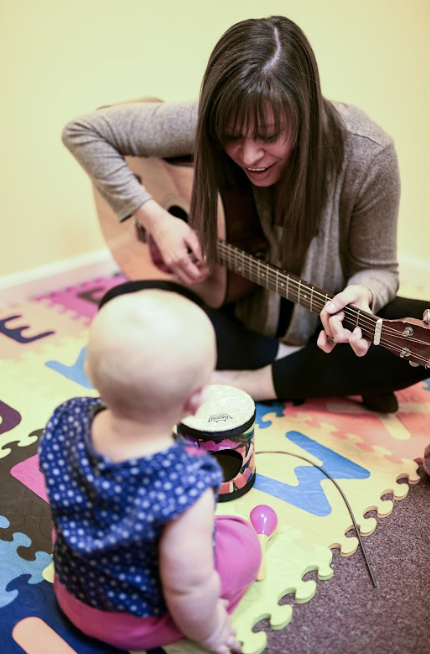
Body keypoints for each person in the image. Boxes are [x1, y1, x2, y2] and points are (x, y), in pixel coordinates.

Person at [62, 15, 430, 413]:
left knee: (419, 328)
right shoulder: (209, 120)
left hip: (321, 331)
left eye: (269, 136)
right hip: (237, 322)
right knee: (120, 308)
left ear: (304, 114)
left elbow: (378, 270)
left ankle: (254, 381)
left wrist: (363, 294)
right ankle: (305, 373)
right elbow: (83, 132)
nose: (250, 156)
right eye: (232, 136)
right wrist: (158, 219)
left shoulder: (368, 153)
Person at [39, 283, 261, 654]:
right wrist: (210, 632)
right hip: (135, 624)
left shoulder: (66, 418)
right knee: (242, 543)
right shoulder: (187, 480)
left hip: (73, 589)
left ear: (90, 370)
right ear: (195, 401)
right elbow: (186, 587)